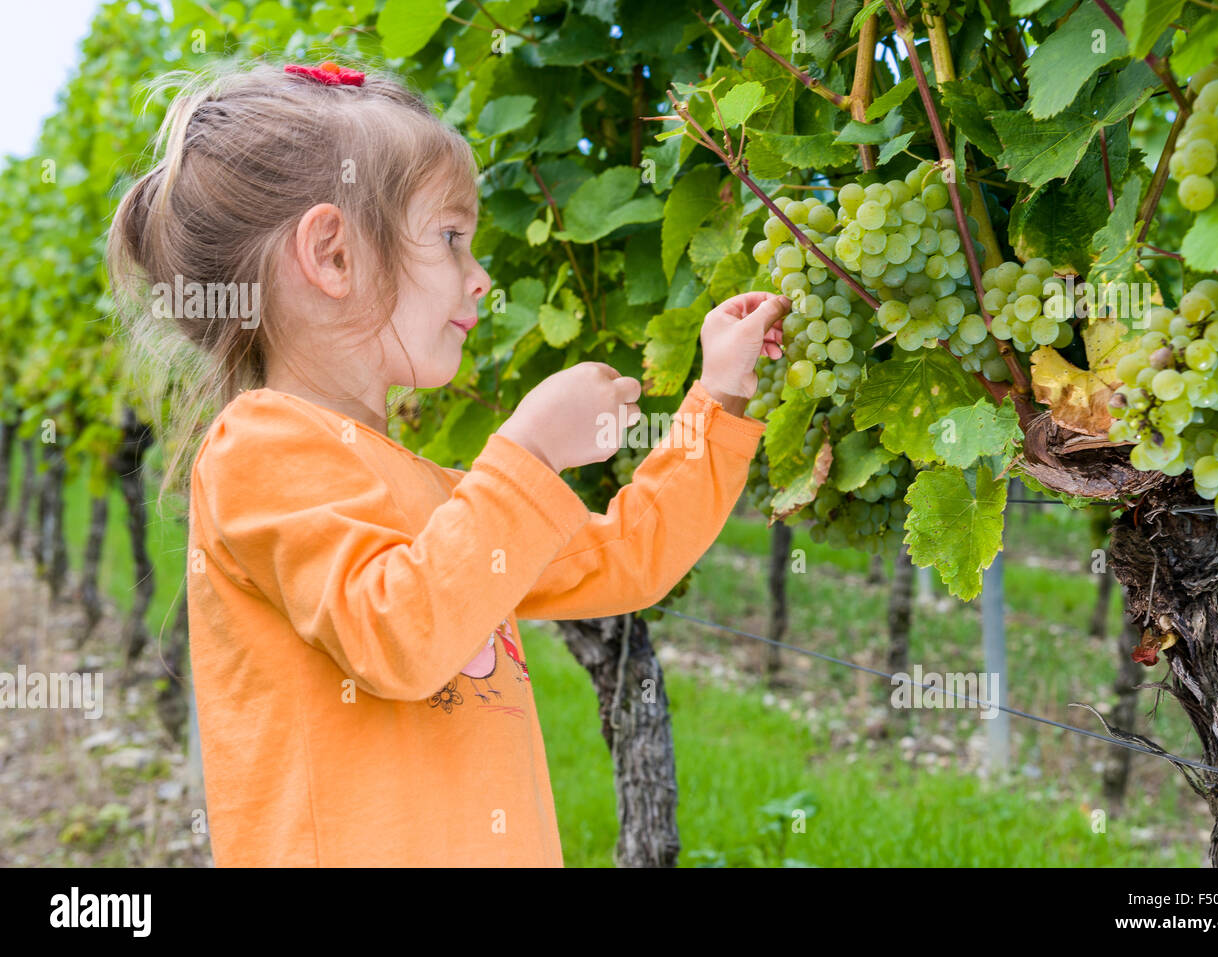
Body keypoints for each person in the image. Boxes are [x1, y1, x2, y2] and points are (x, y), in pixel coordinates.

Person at [106, 59, 790, 866]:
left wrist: (717, 399)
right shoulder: (255, 449)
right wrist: (530, 451)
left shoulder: (431, 491)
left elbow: (625, 558)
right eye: (451, 236)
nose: (481, 275)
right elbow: (398, 633)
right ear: (332, 255)